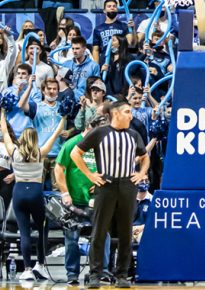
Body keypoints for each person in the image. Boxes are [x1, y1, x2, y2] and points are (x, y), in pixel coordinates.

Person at [71, 99, 150, 288]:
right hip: (105, 184)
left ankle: (122, 274)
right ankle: (95, 274)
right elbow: (75, 153)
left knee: (125, 232)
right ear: (116, 114)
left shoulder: (134, 134)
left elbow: (145, 156)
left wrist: (141, 173)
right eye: (127, 112)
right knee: (99, 231)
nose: (131, 116)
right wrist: (90, 175)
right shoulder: (100, 132)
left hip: (127, 186)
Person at [0, 108, 66, 281]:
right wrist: (64, 116)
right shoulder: (40, 152)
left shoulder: (13, 151)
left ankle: (27, 269)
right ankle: (41, 265)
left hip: (19, 192)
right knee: (42, 229)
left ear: (21, 138)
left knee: (24, 233)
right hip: (36, 192)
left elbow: (5, 133)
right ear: (35, 139)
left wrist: (2, 113)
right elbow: (57, 133)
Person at [55, 113, 110, 285]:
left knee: (103, 235)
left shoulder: (103, 146)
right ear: (90, 127)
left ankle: (102, 270)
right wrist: (65, 193)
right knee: (72, 236)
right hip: (75, 200)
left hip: (97, 200)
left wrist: (103, 181)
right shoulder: (72, 143)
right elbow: (59, 168)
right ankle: (72, 274)